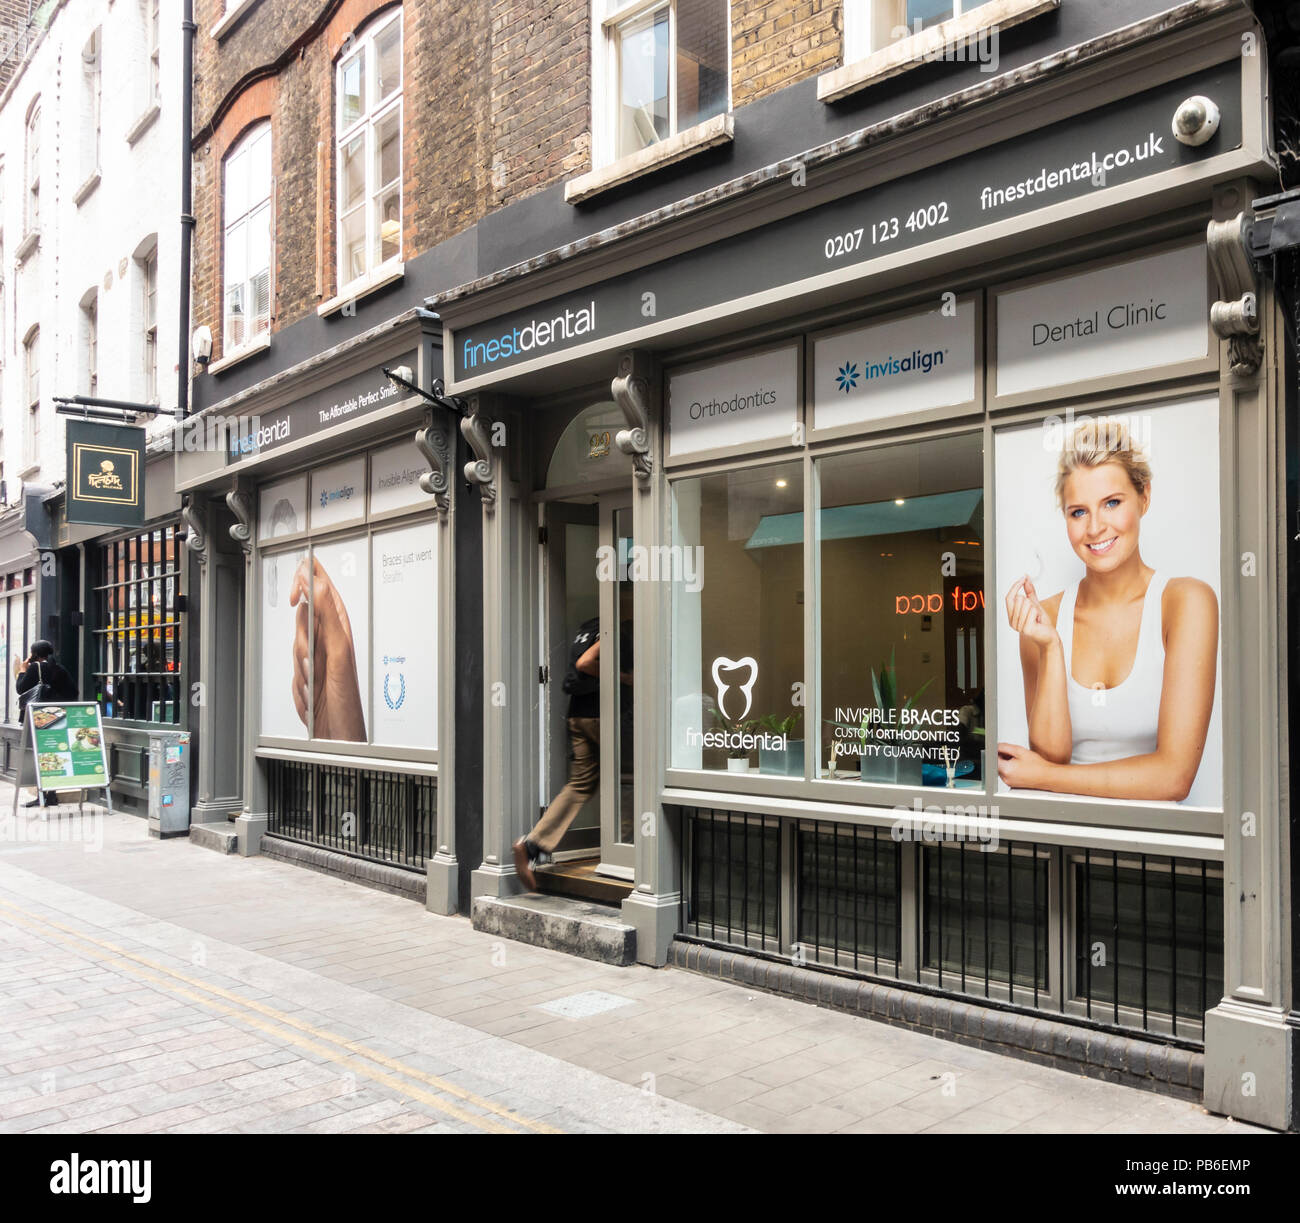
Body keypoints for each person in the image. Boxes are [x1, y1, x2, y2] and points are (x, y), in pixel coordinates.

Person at [999, 418, 1218, 802]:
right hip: (1063, 850)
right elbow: (1053, 757)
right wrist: (1050, 649)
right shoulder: (1043, 620)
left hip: (1163, 852)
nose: (1095, 527)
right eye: (1078, 512)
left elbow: (1174, 777)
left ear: (1144, 497)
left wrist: (1044, 775)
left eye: (1112, 503)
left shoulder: (1186, 603)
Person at [513, 595, 632, 889]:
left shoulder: (587, 626)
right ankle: (631, 854)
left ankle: (532, 845)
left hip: (577, 717)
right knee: (629, 780)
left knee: (581, 784)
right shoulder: (616, 630)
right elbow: (585, 662)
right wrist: (624, 679)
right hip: (604, 717)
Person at [15, 640, 78, 808]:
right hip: (58, 717)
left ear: (34, 653)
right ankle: (51, 794)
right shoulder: (59, 668)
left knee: (40, 756)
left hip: (38, 717)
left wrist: (22, 671)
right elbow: (73, 693)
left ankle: (43, 795)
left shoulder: (36, 668)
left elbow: (21, 689)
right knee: (53, 755)